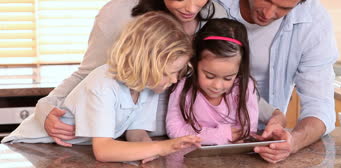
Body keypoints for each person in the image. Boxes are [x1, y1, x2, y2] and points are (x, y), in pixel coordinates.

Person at [38, 0, 284, 148]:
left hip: (179, 141)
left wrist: (273, 113)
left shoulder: (215, 19)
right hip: (115, 141)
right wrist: (45, 109)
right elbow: (86, 76)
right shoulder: (119, 15)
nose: (191, 7)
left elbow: (233, 76)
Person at [126, 0, 339, 163]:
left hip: (250, 142)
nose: (268, 13)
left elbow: (320, 106)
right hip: (171, 135)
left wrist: (293, 140)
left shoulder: (314, 24)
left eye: (284, 8)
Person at [2, 12, 201, 163]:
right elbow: (103, 150)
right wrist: (162, 147)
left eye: (177, 72)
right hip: (28, 148)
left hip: (66, 149)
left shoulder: (149, 85)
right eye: (168, 73)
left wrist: (151, 150)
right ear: (144, 64)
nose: (174, 80)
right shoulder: (103, 85)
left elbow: (136, 133)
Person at [166, 18, 258, 145]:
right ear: (195, 61)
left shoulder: (245, 86)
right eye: (209, 76)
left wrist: (199, 134)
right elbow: (175, 130)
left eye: (228, 78)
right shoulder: (183, 86)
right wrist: (223, 134)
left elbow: (247, 132)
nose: (217, 86)